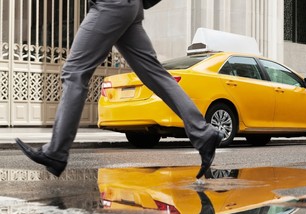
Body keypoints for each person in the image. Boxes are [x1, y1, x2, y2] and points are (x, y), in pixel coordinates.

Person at [15, 0, 224, 179]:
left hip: (111, 5)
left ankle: (56, 152)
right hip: (130, 7)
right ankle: (203, 133)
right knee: (155, 74)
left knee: (74, 71)